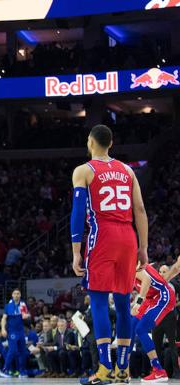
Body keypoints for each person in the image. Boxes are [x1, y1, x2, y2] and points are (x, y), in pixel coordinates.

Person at [71, 124, 148, 384]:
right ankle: (123, 369)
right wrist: (144, 247)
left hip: (102, 235)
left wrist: (76, 252)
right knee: (124, 302)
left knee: (100, 302)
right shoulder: (128, 170)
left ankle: (104, 367)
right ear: (111, 143)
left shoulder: (84, 170)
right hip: (128, 236)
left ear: (90, 142)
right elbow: (139, 209)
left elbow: (78, 213)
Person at [131, 263, 177, 382]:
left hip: (162, 296)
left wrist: (138, 302)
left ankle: (159, 370)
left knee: (140, 329)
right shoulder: (123, 268)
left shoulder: (130, 263)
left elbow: (146, 280)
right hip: (151, 299)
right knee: (132, 326)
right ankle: (122, 368)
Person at [0, 288, 30, 378]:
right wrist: (3, 329)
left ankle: (21, 371)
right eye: (15, 293)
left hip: (21, 331)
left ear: (20, 295)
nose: (16, 295)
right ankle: (5, 370)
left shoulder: (23, 304)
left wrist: (27, 315)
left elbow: (25, 316)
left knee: (22, 351)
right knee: (13, 350)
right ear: (12, 295)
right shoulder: (8, 306)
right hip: (12, 331)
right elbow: (4, 318)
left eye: (18, 293)